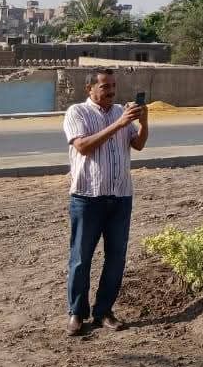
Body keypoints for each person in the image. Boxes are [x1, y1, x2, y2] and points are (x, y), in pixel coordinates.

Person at [63, 68, 149, 336]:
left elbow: (138, 145)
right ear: (89, 89)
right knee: (80, 258)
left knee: (116, 258)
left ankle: (104, 312)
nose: (111, 91)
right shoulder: (77, 112)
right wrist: (119, 124)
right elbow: (83, 147)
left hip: (121, 197)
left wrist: (144, 122)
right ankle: (77, 313)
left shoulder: (120, 112)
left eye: (113, 86)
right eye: (104, 86)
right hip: (88, 198)